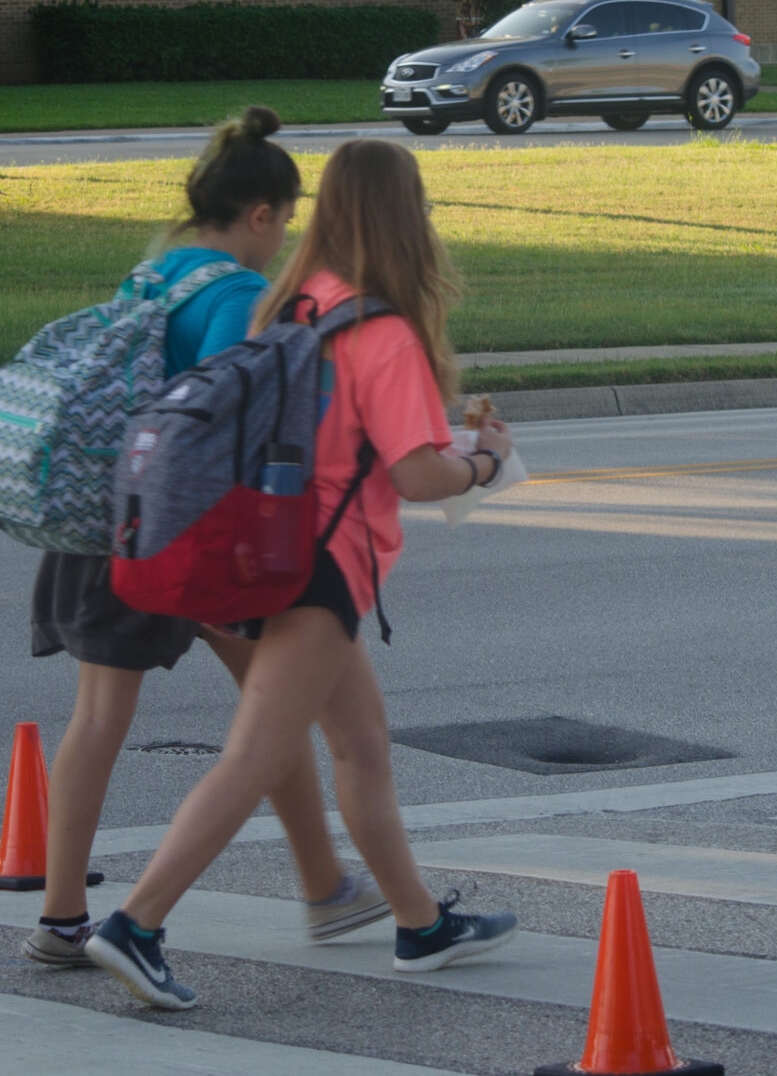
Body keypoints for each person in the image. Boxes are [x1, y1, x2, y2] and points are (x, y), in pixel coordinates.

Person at [86, 138, 517, 1010]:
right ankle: (135, 924)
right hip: (323, 565)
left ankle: (419, 923)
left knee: (361, 746)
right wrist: (484, 464)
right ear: (406, 217)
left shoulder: (298, 302)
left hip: (275, 543)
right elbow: (415, 474)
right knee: (256, 754)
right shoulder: (383, 330)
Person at [21, 109, 387, 969]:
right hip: (187, 532)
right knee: (273, 709)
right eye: (285, 219)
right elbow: (227, 408)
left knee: (104, 716)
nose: (287, 236)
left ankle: (61, 915)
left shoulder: (157, 273)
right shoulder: (231, 293)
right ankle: (324, 886)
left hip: (108, 517)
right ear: (259, 215)